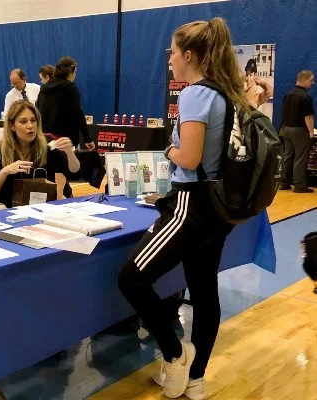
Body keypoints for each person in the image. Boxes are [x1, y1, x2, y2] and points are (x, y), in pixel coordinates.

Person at [117, 18, 250, 400]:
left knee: (131, 279)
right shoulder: (227, 93)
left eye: (173, 53)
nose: (170, 60)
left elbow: (189, 158)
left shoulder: (195, 94)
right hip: (218, 208)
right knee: (205, 292)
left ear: (189, 55)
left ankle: (176, 354)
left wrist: (168, 149)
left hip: (191, 205)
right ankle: (196, 379)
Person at [0, 100, 81, 208]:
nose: (30, 126)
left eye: (33, 120)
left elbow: (74, 174)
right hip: (11, 211)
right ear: (12, 126)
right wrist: (5, 171)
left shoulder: (48, 146)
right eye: (23, 122)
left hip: (46, 209)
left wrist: (70, 153)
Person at [37, 56, 95, 197]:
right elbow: (78, 113)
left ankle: (62, 194)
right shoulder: (70, 87)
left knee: (50, 168)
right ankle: (60, 197)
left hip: (45, 136)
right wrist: (87, 138)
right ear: (72, 70)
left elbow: (37, 109)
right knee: (63, 169)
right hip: (64, 137)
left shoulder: (45, 87)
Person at [280, 70, 315, 193]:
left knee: (287, 156)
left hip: (286, 129)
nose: (312, 83)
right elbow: (308, 117)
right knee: (300, 158)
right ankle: (300, 185)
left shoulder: (288, 94)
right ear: (304, 80)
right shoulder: (306, 96)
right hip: (299, 131)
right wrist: (311, 132)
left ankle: (284, 183)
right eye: (311, 80)